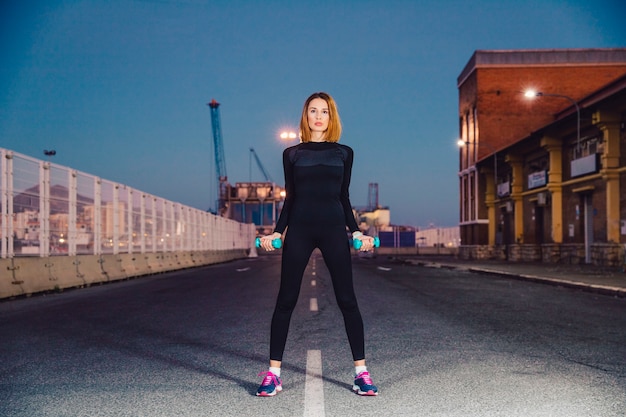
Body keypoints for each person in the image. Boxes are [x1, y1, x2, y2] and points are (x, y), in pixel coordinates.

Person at [256, 92, 378, 397]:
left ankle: (361, 374)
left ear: (331, 116)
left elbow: (344, 197)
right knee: (286, 299)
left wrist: (356, 232)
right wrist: (277, 232)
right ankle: (273, 375)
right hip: (300, 229)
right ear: (306, 116)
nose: (319, 116)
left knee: (347, 300)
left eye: (324, 111)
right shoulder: (292, 154)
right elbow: (291, 197)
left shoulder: (344, 153)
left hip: (334, 228)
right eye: (313, 110)